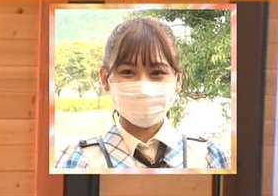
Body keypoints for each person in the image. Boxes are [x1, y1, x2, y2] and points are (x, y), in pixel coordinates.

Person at [54, 16, 230, 171]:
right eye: (128, 72)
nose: (144, 88)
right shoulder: (79, 161)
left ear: (178, 81)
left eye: (157, 73)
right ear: (105, 79)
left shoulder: (210, 157)